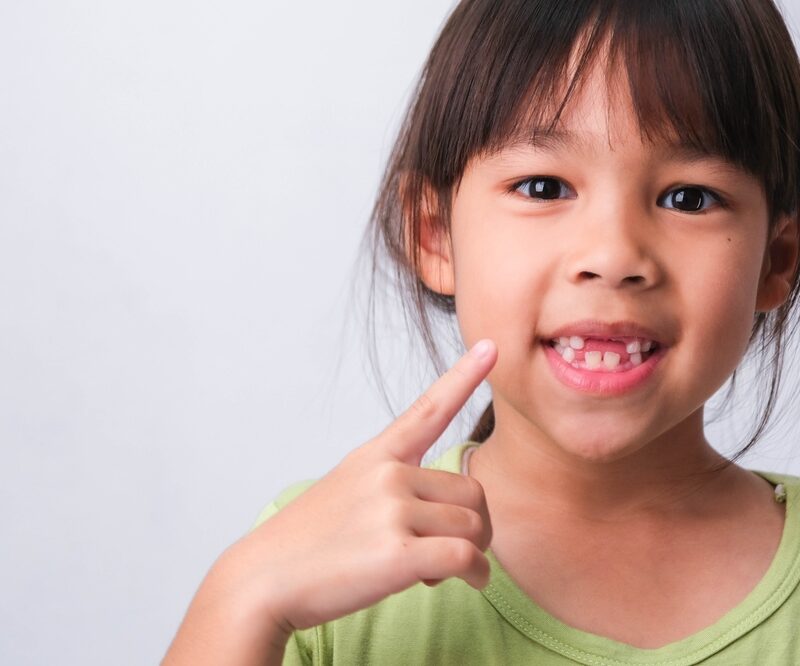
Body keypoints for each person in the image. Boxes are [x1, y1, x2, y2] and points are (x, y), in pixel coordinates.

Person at [162, 0, 800, 663]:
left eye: (688, 198)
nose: (612, 256)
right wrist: (242, 596)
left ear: (776, 261)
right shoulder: (310, 563)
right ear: (434, 235)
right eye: (544, 186)